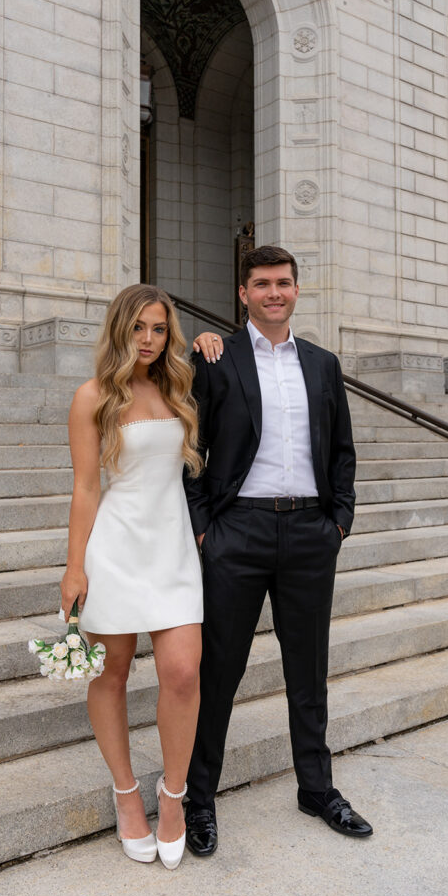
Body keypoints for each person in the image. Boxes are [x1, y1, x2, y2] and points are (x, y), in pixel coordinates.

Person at [183, 244, 373, 857]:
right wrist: (206, 528)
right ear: (243, 293)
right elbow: (192, 450)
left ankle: (316, 789)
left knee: (308, 671)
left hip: (310, 535)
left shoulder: (322, 364)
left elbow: (342, 448)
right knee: (220, 672)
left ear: (296, 290)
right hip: (237, 534)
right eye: (261, 284)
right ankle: (199, 798)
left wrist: (338, 519)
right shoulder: (216, 359)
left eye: (283, 283)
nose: (273, 293)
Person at [60, 284, 211, 870]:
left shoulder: (178, 388)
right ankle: (127, 794)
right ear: (121, 329)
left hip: (171, 549)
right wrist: (74, 566)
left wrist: (207, 340)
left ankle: (172, 799)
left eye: (159, 329)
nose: (149, 340)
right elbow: (85, 487)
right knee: (113, 672)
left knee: (181, 671)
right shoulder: (92, 396)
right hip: (115, 548)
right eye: (140, 328)